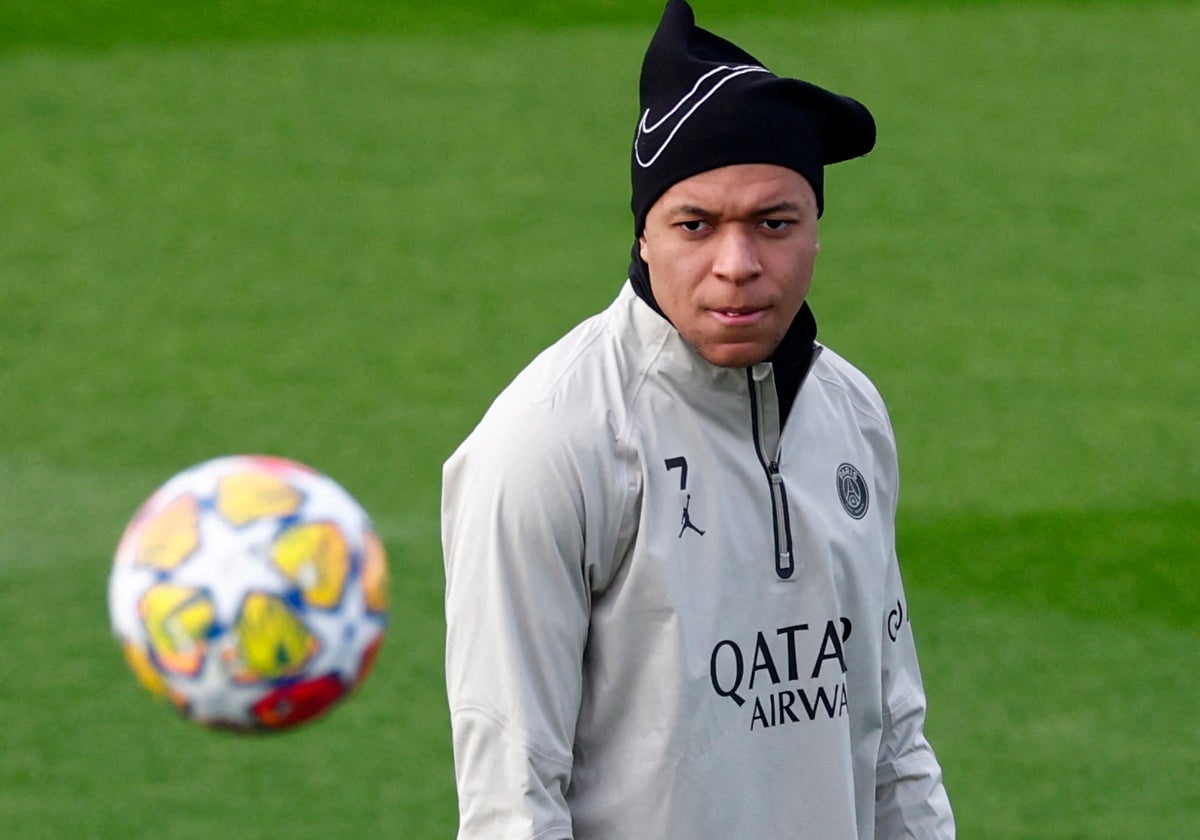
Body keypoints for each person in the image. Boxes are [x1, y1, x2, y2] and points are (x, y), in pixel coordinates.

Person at [441, 1, 955, 837]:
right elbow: (512, 789)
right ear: (644, 235)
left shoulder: (851, 412)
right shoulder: (546, 444)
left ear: (817, 229)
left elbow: (893, 735)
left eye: (774, 223)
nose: (738, 265)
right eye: (696, 225)